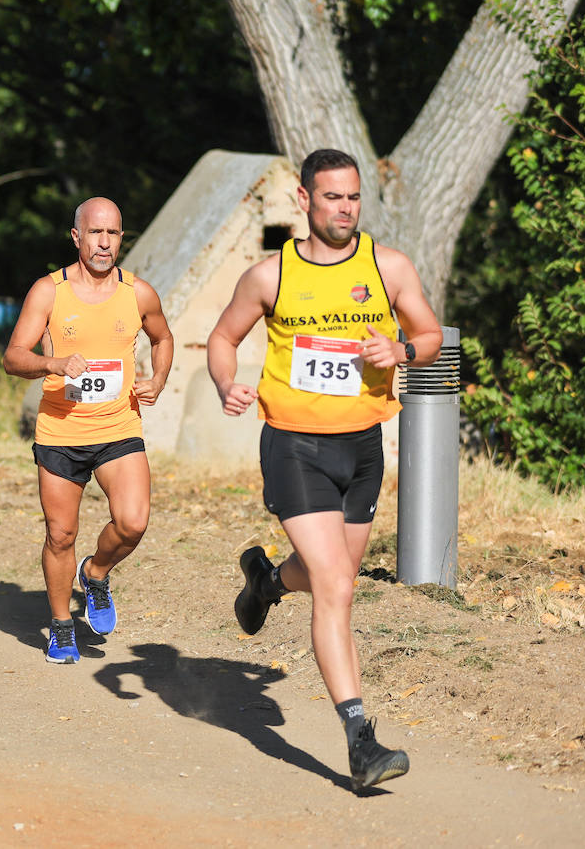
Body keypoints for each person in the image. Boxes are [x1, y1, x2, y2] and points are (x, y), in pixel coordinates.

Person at [207, 148, 442, 793]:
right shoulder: (270, 275)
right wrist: (228, 382)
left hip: (362, 449)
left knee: (323, 575)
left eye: (354, 197)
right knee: (338, 584)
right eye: (333, 197)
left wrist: (401, 347)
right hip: (294, 446)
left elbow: (432, 334)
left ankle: (265, 581)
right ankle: (361, 741)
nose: (345, 208)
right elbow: (224, 337)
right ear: (304, 200)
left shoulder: (388, 268)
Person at [2, 197, 173, 664]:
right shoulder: (48, 292)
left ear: (122, 238)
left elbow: (162, 337)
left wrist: (157, 379)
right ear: (76, 237)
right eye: (95, 233)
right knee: (60, 534)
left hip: (118, 427)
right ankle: (60, 626)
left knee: (133, 522)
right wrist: (52, 363)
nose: (104, 243)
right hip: (60, 431)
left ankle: (95, 573)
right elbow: (13, 356)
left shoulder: (138, 293)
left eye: (113, 234)